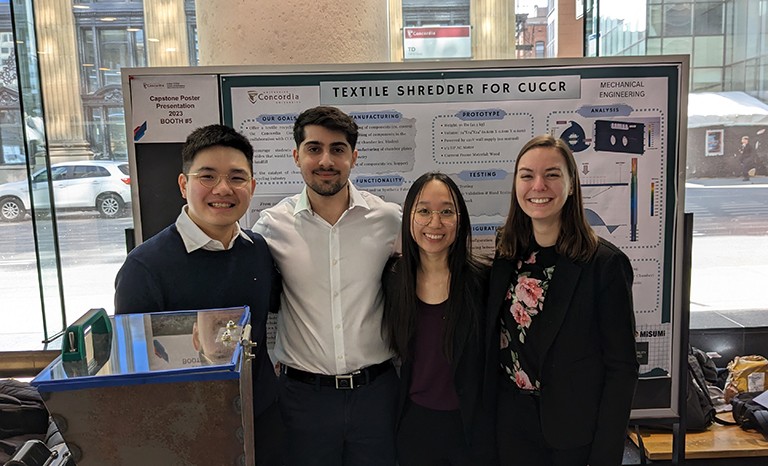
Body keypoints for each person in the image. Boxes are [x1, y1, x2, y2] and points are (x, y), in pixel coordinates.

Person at [114, 124, 283, 466]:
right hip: (187, 437)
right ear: (183, 184)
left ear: (251, 186)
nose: (223, 188)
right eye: (207, 176)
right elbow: (133, 373)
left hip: (263, 423)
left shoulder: (259, 251)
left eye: (237, 178)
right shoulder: (145, 267)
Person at [252, 106, 402, 466]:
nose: (326, 160)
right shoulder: (272, 226)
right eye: (314, 148)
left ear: (353, 156)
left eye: (337, 149)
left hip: (377, 395)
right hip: (302, 399)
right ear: (296, 155)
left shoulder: (389, 220)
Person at [487, 134, 638, 466]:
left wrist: (605, 455)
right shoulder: (507, 252)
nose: (538, 185)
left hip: (572, 434)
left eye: (552, 174)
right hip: (510, 426)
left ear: (571, 185)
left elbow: (622, 368)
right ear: (516, 184)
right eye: (527, 175)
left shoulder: (604, 264)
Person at [382, 172, 495, 465]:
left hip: (472, 428)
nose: (435, 223)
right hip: (414, 425)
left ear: (460, 219)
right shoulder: (394, 279)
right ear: (409, 218)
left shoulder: (484, 281)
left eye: (446, 211)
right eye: (423, 211)